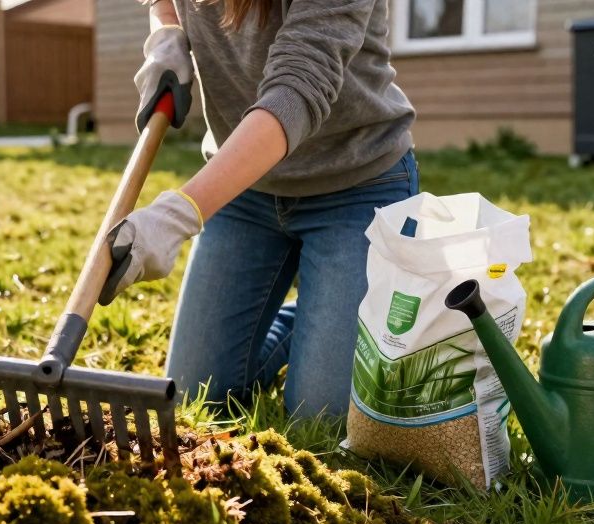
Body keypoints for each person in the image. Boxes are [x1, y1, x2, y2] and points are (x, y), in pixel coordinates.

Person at [101, 0, 418, 420]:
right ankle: (315, 318)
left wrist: (178, 215)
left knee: (320, 414)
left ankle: (339, 315)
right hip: (245, 190)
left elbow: (299, 87)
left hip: (356, 183)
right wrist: (166, 33)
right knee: (195, 395)